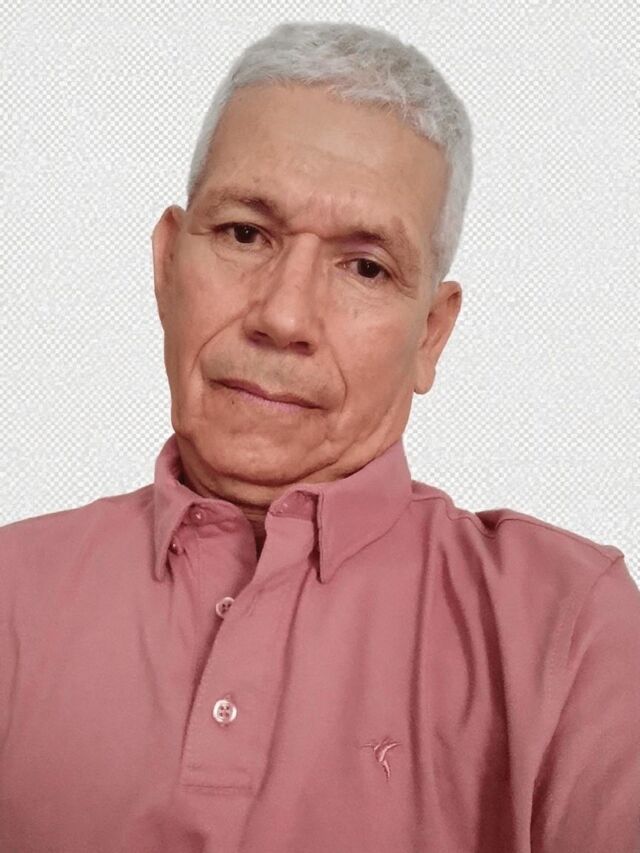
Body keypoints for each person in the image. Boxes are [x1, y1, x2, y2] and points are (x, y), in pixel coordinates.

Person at [1, 20, 638, 853]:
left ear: (431, 334)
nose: (284, 316)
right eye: (244, 233)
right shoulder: (11, 593)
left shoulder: (570, 627)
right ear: (165, 265)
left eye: (365, 266)